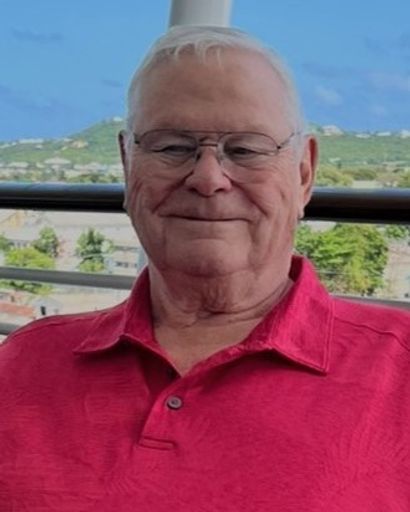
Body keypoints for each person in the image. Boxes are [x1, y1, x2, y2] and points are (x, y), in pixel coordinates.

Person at [0, 26, 409, 512]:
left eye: (245, 149)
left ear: (304, 174)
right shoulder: (25, 362)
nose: (209, 178)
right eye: (172, 147)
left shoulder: (398, 373)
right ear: (128, 165)